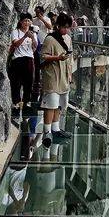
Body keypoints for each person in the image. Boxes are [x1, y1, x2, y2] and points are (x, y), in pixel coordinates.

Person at [40, 13, 75, 146]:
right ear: (58, 26)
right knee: (51, 104)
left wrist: (70, 73)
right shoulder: (50, 39)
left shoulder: (68, 39)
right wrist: (57, 58)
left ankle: (56, 128)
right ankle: (47, 131)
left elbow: (70, 57)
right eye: (64, 27)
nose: (66, 30)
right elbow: (43, 56)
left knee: (60, 104)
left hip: (64, 76)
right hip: (53, 75)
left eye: (68, 27)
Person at [9, 13, 38, 126]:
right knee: (16, 83)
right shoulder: (15, 32)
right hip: (18, 59)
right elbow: (15, 44)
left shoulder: (33, 34)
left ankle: (26, 103)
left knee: (29, 82)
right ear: (21, 22)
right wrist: (25, 36)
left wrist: (32, 38)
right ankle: (16, 104)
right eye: (25, 21)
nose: (27, 23)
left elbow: (35, 48)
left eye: (29, 21)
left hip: (29, 59)